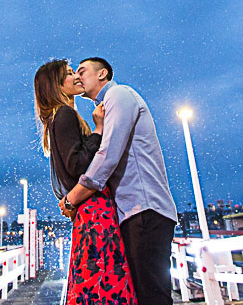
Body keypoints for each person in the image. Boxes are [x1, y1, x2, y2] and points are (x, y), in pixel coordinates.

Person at [60, 58, 178, 305]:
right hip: (132, 213)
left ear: (102, 73)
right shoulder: (106, 105)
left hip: (145, 209)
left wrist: (74, 197)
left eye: (82, 71)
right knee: (143, 294)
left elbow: (108, 155)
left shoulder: (119, 94)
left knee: (152, 295)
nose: (78, 77)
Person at [33, 59, 136, 305]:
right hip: (95, 211)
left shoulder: (56, 119)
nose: (76, 78)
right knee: (107, 278)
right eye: (69, 74)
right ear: (56, 86)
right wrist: (99, 129)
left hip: (85, 212)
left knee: (91, 280)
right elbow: (78, 165)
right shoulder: (65, 114)